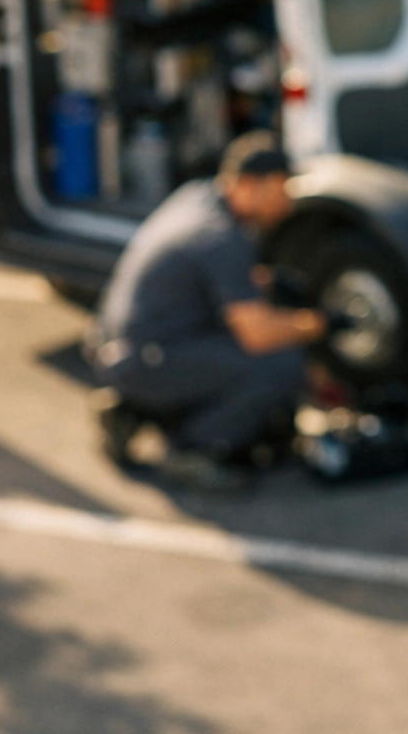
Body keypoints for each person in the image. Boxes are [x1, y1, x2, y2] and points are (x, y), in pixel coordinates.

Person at [90, 131, 325, 494]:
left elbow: (200, 284)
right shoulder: (221, 238)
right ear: (249, 185)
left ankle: (133, 411)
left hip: (115, 343)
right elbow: (258, 334)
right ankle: (193, 450)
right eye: (280, 192)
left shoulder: (197, 197)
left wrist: (260, 286)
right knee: (282, 364)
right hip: (146, 359)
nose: (285, 206)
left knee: (227, 346)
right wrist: (316, 323)